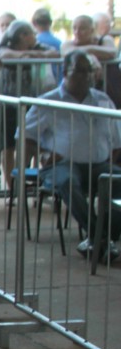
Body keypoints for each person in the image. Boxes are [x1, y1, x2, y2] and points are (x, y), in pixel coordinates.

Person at [21, 51, 121, 262]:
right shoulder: (49, 102)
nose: (86, 76)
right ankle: (99, 237)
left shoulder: (102, 100)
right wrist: (44, 154)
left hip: (99, 164)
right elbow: (25, 135)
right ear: (65, 72)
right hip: (63, 164)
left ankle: (101, 238)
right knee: (67, 181)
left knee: (116, 179)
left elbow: (116, 139)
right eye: (80, 71)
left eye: (90, 71)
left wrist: (111, 159)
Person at [0, 20, 59, 193]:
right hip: (8, 105)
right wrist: (29, 55)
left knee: (35, 145)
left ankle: (37, 186)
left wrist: (32, 54)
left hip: (31, 105)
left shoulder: (38, 47)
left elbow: (54, 53)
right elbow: (6, 56)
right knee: (7, 148)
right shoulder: (3, 48)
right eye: (30, 33)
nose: (34, 37)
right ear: (21, 35)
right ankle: (13, 188)